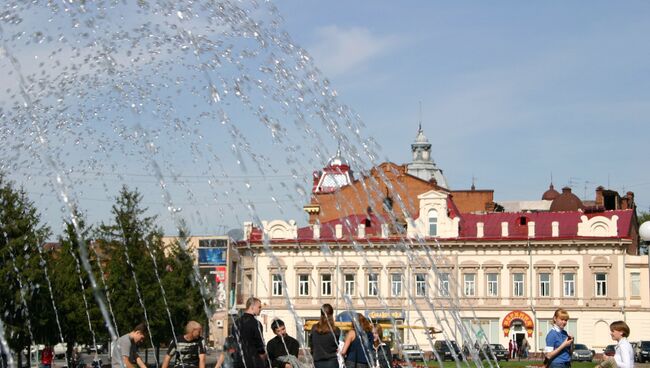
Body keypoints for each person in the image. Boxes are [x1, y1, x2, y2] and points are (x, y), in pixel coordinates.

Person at [232, 297, 268, 368]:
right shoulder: (256, 323)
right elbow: (259, 344)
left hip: (238, 360)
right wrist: (262, 358)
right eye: (259, 307)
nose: (260, 309)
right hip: (253, 361)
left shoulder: (236, 323)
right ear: (252, 307)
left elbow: (233, 342)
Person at [310, 304, 341, 368]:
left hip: (318, 362)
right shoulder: (336, 330)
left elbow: (312, 344)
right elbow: (336, 345)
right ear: (332, 315)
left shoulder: (314, 328)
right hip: (332, 362)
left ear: (321, 314)